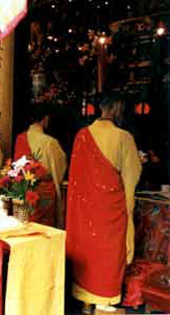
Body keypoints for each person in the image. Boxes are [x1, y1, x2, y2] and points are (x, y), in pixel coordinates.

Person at [66, 94, 142, 313]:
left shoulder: (82, 135)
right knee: (108, 254)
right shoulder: (123, 137)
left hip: (87, 208)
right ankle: (104, 302)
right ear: (117, 108)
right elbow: (132, 174)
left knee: (89, 251)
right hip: (111, 210)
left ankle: (85, 300)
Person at [13, 106, 67, 227]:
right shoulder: (49, 142)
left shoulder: (20, 138)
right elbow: (60, 165)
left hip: (23, 190)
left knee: (24, 225)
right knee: (43, 228)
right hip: (43, 191)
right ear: (45, 119)